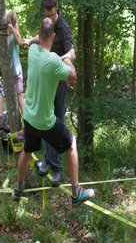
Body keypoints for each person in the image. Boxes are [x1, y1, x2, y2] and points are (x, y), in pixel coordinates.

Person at [13, 17, 94, 207]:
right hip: (45, 121)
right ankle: (76, 193)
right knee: (71, 143)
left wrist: (32, 39)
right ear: (54, 36)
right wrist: (67, 59)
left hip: (29, 117)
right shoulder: (54, 62)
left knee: (27, 149)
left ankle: (18, 187)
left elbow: (33, 41)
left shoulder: (33, 51)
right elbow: (72, 77)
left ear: (39, 34)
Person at [23, 0, 75, 187]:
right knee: (44, 121)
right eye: (47, 15)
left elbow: (72, 51)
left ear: (57, 8)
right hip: (46, 84)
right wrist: (30, 40)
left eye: (53, 15)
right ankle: (47, 162)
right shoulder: (46, 24)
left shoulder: (65, 28)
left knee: (56, 123)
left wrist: (63, 58)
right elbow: (41, 37)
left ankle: (57, 168)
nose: (51, 18)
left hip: (59, 83)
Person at [4, 9, 25, 117]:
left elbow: (20, 42)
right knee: (10, 99)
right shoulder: (4, 35)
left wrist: (12, 30)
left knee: (20, 97)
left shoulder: (15, 33)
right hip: (8, 71)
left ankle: (27, 123)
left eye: (8, 21)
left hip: (16, 70)